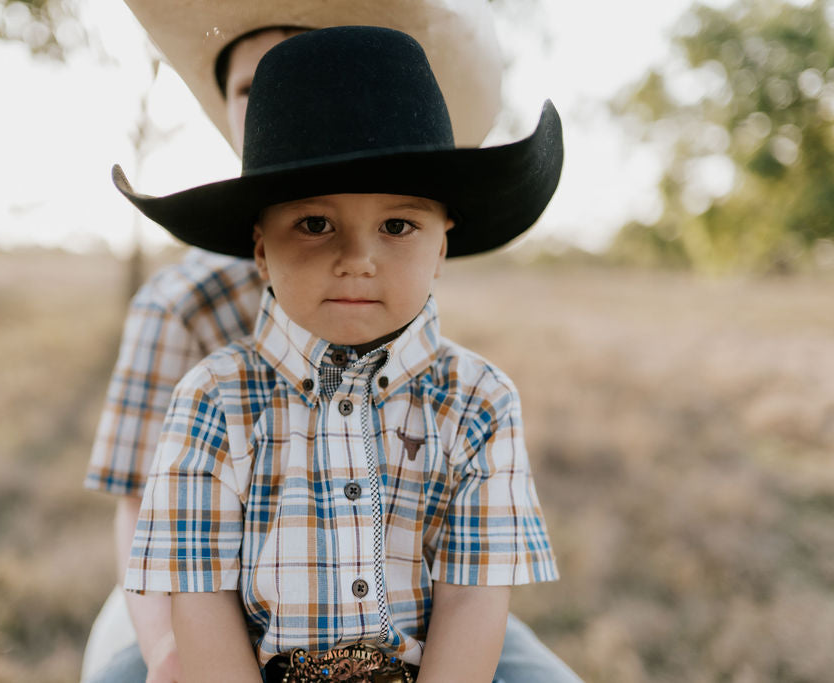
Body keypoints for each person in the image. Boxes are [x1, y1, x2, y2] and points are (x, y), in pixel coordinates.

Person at [83, 3, 580, 682]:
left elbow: (471, 593)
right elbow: (160, 532)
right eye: (315, 224)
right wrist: (166, 650)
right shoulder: (199, 358)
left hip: (423, 619)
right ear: (261, 246)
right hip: (229, 614)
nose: (357, 260)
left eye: (397, 227)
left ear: (440, 245)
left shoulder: (474, 397)